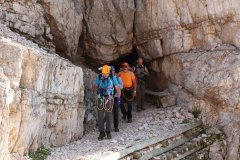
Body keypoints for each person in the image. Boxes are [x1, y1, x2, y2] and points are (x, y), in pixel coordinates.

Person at [94, 65, 121, 140]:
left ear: (108, 72)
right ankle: (101, 133)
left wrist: (118, 98)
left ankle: (108, 132)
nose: (104, 75)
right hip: (100, 97)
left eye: (106, 73)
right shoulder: (99, 76)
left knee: (108, 114)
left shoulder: (113, 77)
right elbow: (95, 86)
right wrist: (97, 89)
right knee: (100, 115)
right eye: (103, 73)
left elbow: (117, 88)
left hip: (109, 97)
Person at [110, 66, 123, 132]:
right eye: (112, 71)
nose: (113, 72)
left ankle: (116, 127)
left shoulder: (117, 78)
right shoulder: (107, 79)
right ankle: (109, 127)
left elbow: (121, 86)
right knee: (109, 112)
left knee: (115, 112)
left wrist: (117, 87)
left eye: (114, 71)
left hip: (115, 96)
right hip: (109, 97)